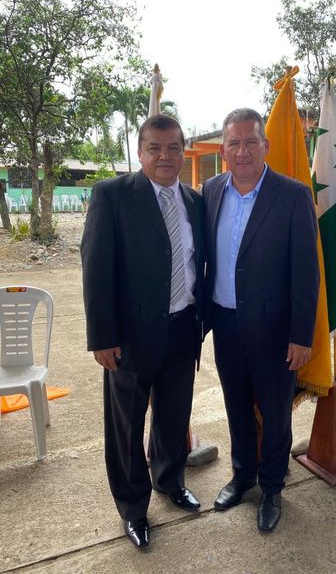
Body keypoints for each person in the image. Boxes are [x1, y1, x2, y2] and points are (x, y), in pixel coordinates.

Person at [81, 115, 204, 550]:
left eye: (173, 147)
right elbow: (96, 268)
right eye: (155, 148)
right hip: (129, 338)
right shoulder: (112, 195)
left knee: (173, 417)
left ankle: (169, 480)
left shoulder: (195, 201)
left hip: (183, 328)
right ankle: (133, 508)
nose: (164, 156)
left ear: (183, 152)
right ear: (140, 152)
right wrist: (102, 336)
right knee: (126, 427)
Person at [203, 108, 319, 533]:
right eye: (234, 143)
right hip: (225, 324)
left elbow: (306, 271)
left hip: (274, 331)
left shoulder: (292, 196)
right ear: (223, 150)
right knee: (235, 405)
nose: (243, 151)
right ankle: (242, 477)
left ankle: (272, 488)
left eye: (251, 141)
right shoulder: (210, 190)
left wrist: (301, 335)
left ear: (265, 146)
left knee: (275, 413)